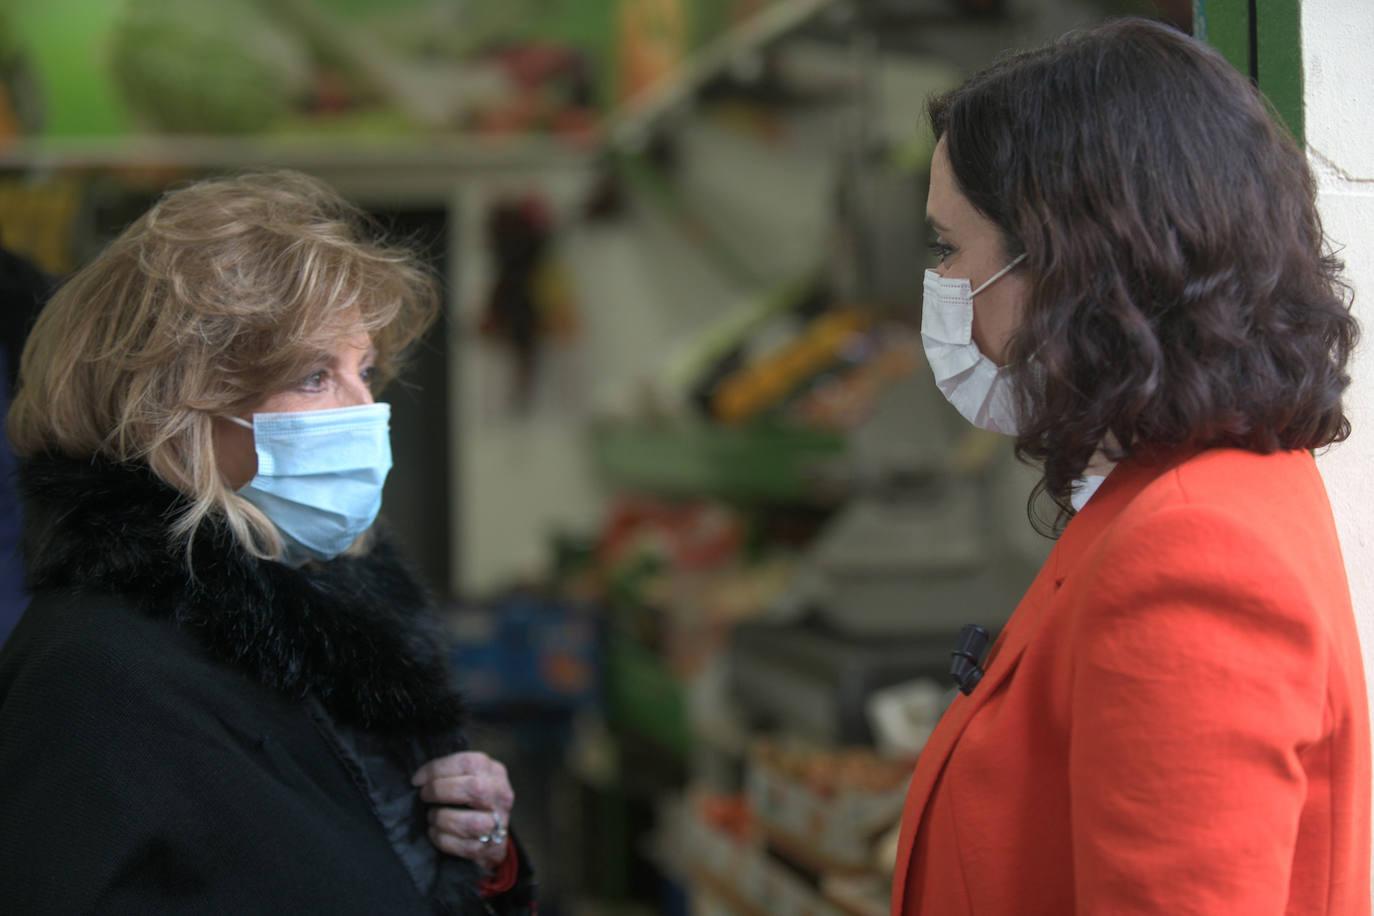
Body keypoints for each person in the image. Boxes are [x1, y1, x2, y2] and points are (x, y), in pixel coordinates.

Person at [898, 19, 1369, 916]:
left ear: (1072, 265)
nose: (943, 289)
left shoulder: (1192, 551)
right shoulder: (1204, 489)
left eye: (949, 251)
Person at [0, 172, 536, 914]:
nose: (365, 411)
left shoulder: (320, 622)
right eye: (315, 376)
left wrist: (482, 854)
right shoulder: (94, 678)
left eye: (365, 370)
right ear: (169, 408)